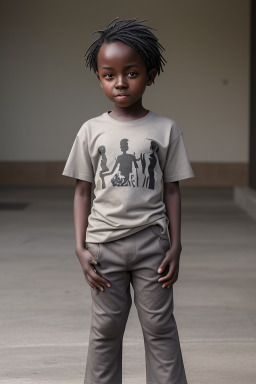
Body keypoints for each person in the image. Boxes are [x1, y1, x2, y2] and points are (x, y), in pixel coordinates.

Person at [62, 18, 194, 384]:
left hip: (153, 245)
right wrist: (79, 247)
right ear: (100, 78)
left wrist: (176, 245)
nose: (120, 82)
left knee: (160, 328)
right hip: (103, 246)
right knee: (104, 331)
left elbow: (172, 190)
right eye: (109, 74)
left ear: (150, 75)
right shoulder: (91, 130)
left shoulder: (165, 129)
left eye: (131, 72)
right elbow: (82, 190)